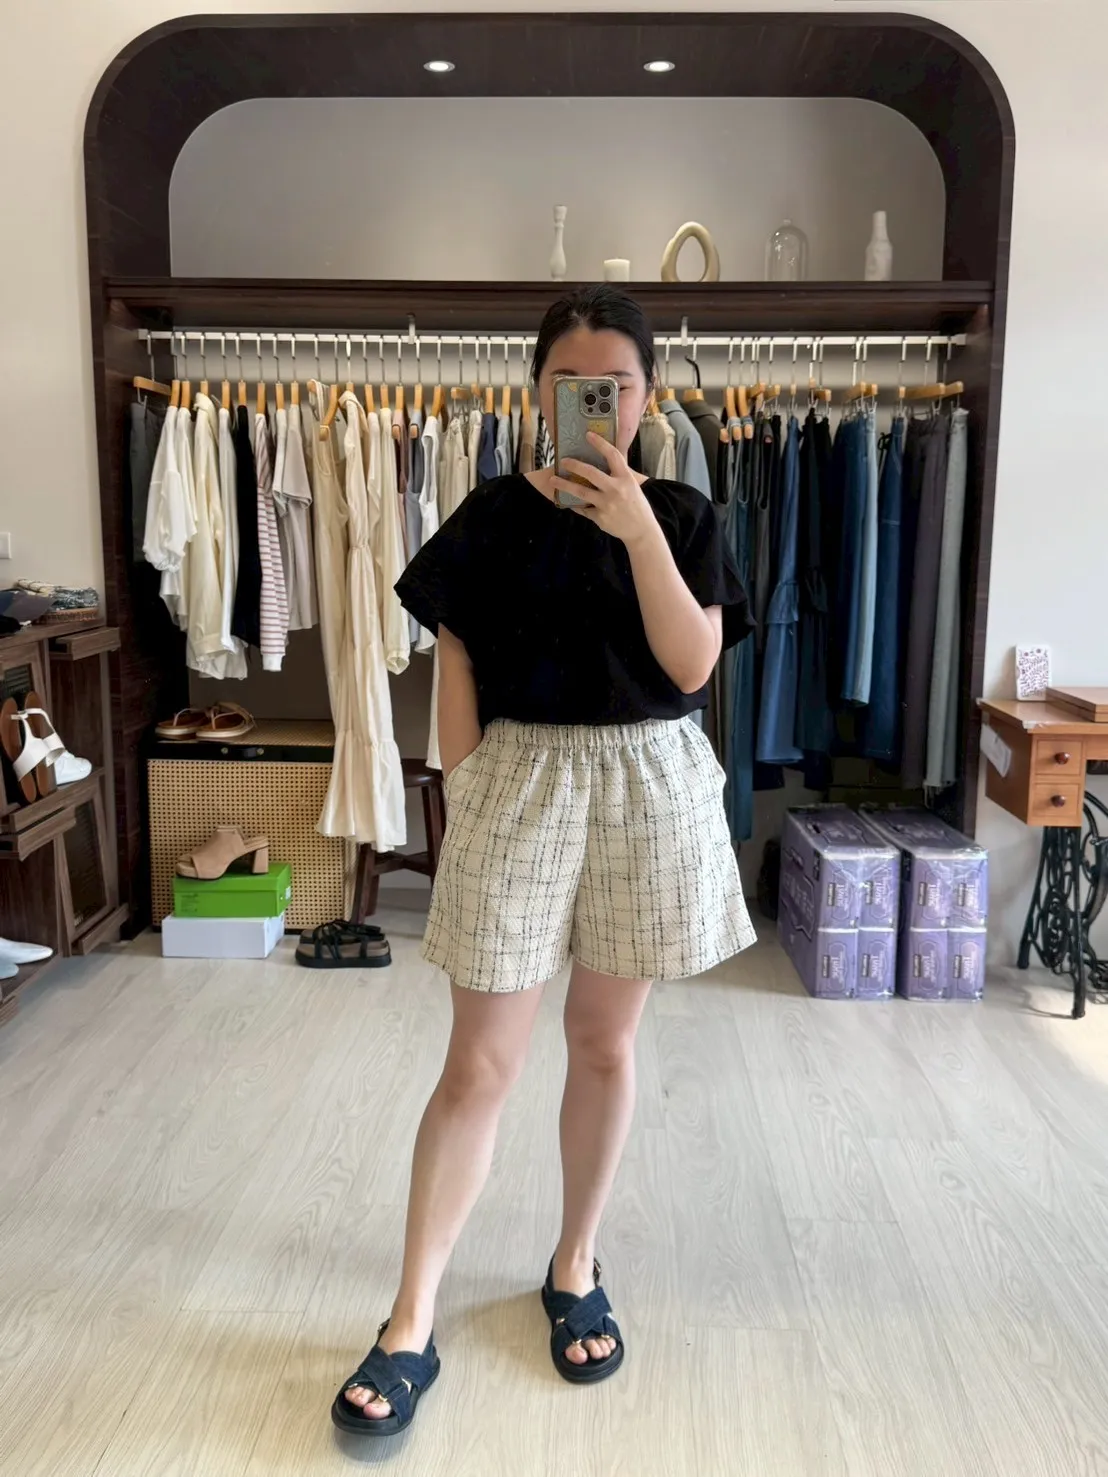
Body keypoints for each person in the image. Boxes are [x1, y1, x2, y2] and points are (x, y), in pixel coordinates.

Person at [331, 286, 756, 1438]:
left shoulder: (683, 514)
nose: (598, 403)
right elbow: (456, 659)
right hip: (517, 778)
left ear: (648, 399)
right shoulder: (486, 513)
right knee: (479, 1064)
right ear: (537, 393)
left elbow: (690, 668)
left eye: (618, 386)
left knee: (605, 1042)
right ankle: (410, 1317)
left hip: (647, 780)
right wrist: (465, 786)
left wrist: (638, 530)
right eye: (575, 385)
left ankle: (574, 1263)